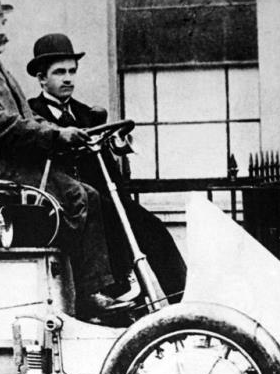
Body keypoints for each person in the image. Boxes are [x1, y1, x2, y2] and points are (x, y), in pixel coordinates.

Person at [0, 0, 126, 321]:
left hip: (20, 166)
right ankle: (80, 297)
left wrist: (63, 132)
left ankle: (88, 290)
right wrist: (55, 135)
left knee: (89, 195)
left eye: (2, 23)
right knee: (77, 197)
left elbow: (26, 115)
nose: (1, 31)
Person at [26, 33, 186, 300]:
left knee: (152, 228)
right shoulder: (32, 116)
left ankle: (182, 301)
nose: (68, 79)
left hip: (101, 197)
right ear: (42, 78)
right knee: (112, 224)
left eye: (72, 71)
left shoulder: (88, 114)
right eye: (60, 72)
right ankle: (115, 295)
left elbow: (108, 165)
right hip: (64, 200)